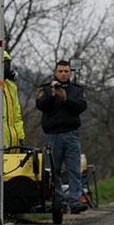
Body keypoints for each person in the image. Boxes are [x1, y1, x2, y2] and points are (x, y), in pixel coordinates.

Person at [36, 60, 88, 214]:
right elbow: (40, 105)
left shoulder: (76, 90)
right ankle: (59, 202)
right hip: (52, 135)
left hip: (71, 134)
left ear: (70, 73)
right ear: (55, 72)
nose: (64, 74)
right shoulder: (45, 88)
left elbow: (81, 107)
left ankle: (74, 201)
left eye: (66, 71)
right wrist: (52, 95)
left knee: (74, 169)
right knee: (54, 170)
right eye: (61, 71)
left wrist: (65, 98)